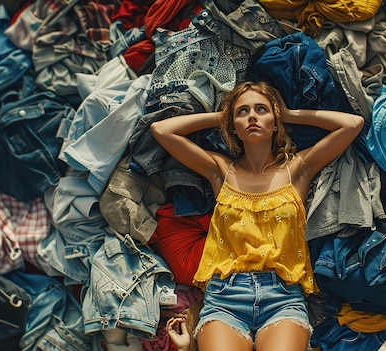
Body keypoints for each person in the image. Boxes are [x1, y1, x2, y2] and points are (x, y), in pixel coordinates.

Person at [151, 81, 364, 351]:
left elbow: (352, 124)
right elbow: (162, 130)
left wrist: (289, 114)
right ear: (233, 126)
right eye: (242, 112)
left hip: (283, 297)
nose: (252, 116)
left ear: (275, 122)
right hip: (224, 297)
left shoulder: (297, 169)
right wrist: (223, 115)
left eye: (261, 109)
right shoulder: (220, 170)